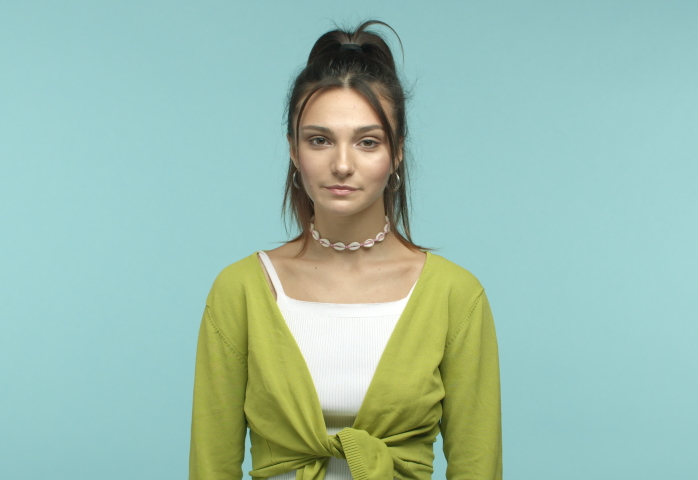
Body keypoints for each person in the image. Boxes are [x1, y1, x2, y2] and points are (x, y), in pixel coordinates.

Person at [189, 20, 502, 480]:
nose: (341, 164)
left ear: (397, 153)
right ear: (293, 151)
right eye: (319, 140)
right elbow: (210, 467)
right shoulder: (239, 291)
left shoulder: (456, 296)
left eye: (367, 142)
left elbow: (478, 467)